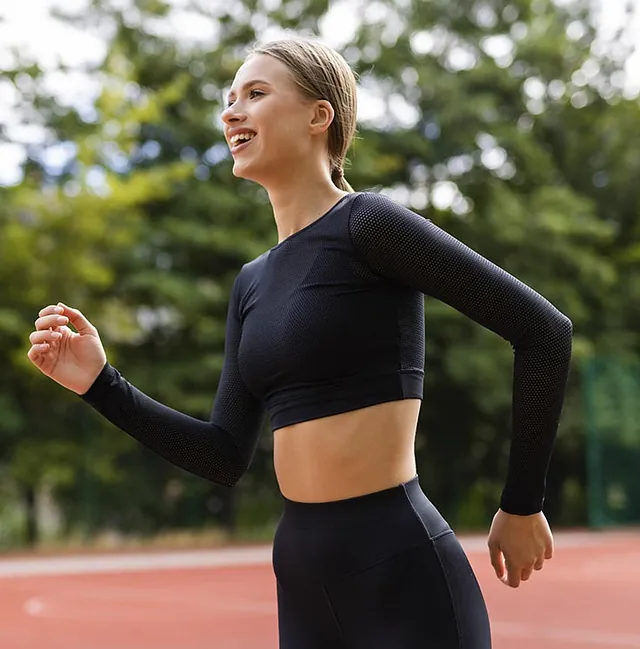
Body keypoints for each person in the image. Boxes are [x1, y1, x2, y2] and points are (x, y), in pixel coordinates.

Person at [27, 35, 572, 649]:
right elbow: (223, 455)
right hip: (303, 577)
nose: (232, 111)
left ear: (320, 116)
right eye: (229, 99)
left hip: (398, 564)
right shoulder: (251, 281)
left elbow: (543, 331)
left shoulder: (369, 225)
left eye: (255, 94)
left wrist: (522, 503)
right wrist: (101, 385)